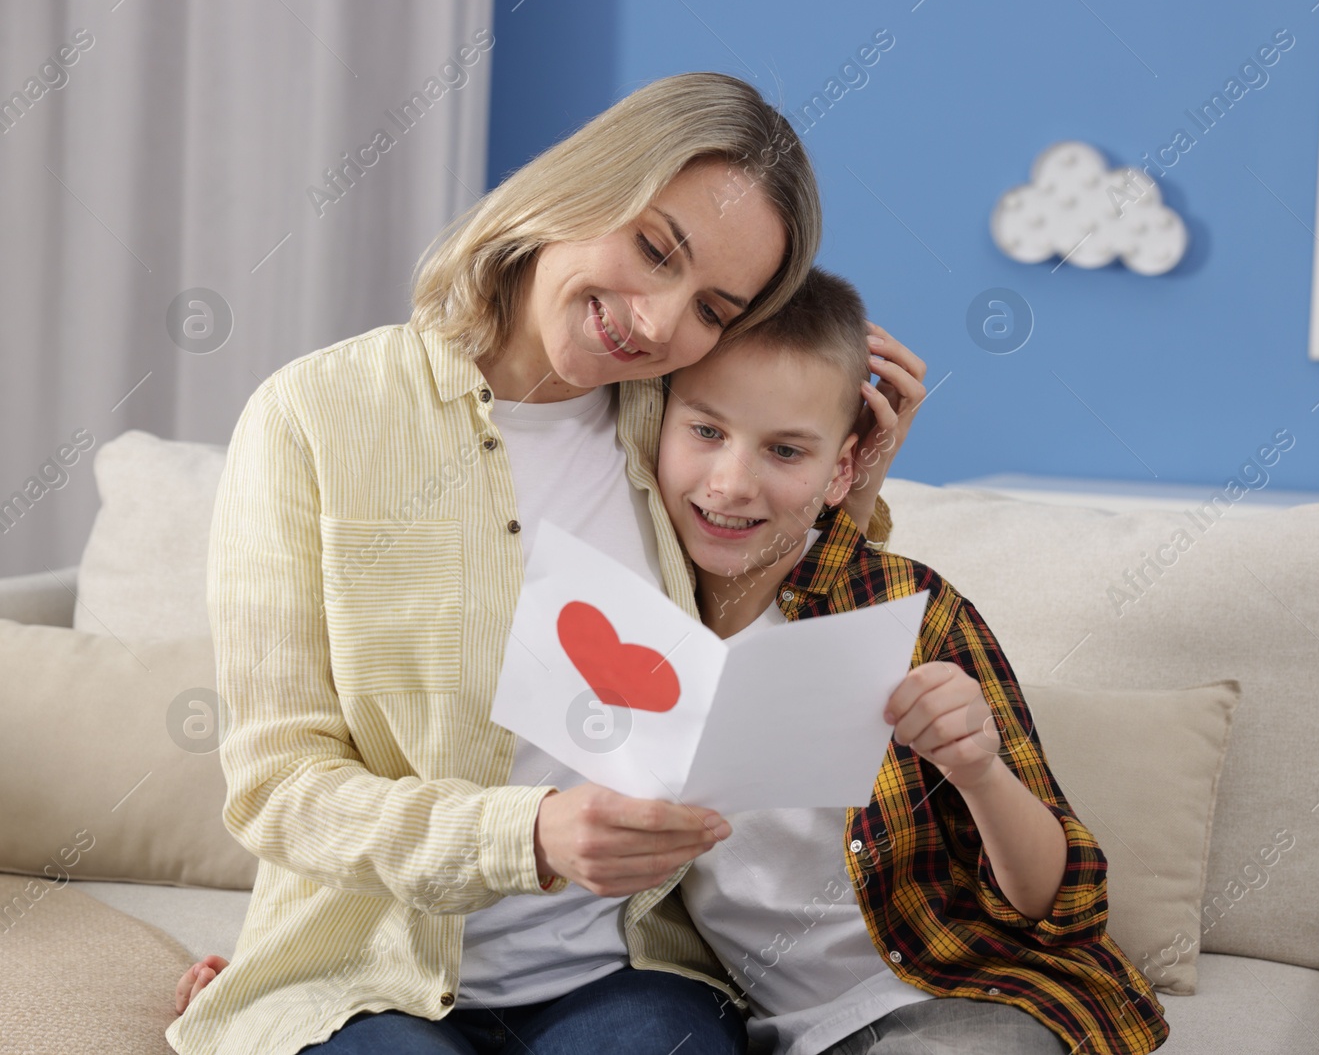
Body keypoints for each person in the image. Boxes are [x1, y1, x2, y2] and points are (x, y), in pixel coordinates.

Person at [182, 269, 1169, 1055]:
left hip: (953, 990)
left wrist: (978, 766)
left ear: (840, 467)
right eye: (704, 432)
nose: (732, 480)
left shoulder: (902, 610)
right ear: (654, 428)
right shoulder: (626, 611)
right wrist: (286, 959)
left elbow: (1065, 895)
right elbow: (411, 773)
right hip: (773, 1020)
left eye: (786, 450)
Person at [168, 72, 928, 1055]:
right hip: (362, 975)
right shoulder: (313, 415)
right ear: (579, 187)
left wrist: (849, 484)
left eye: (711, 307)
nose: (656, 322)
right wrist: (524, 834)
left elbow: (768, 646)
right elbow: (277, 785)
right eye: (655, 249)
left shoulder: (679, 431)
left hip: (618, 973)